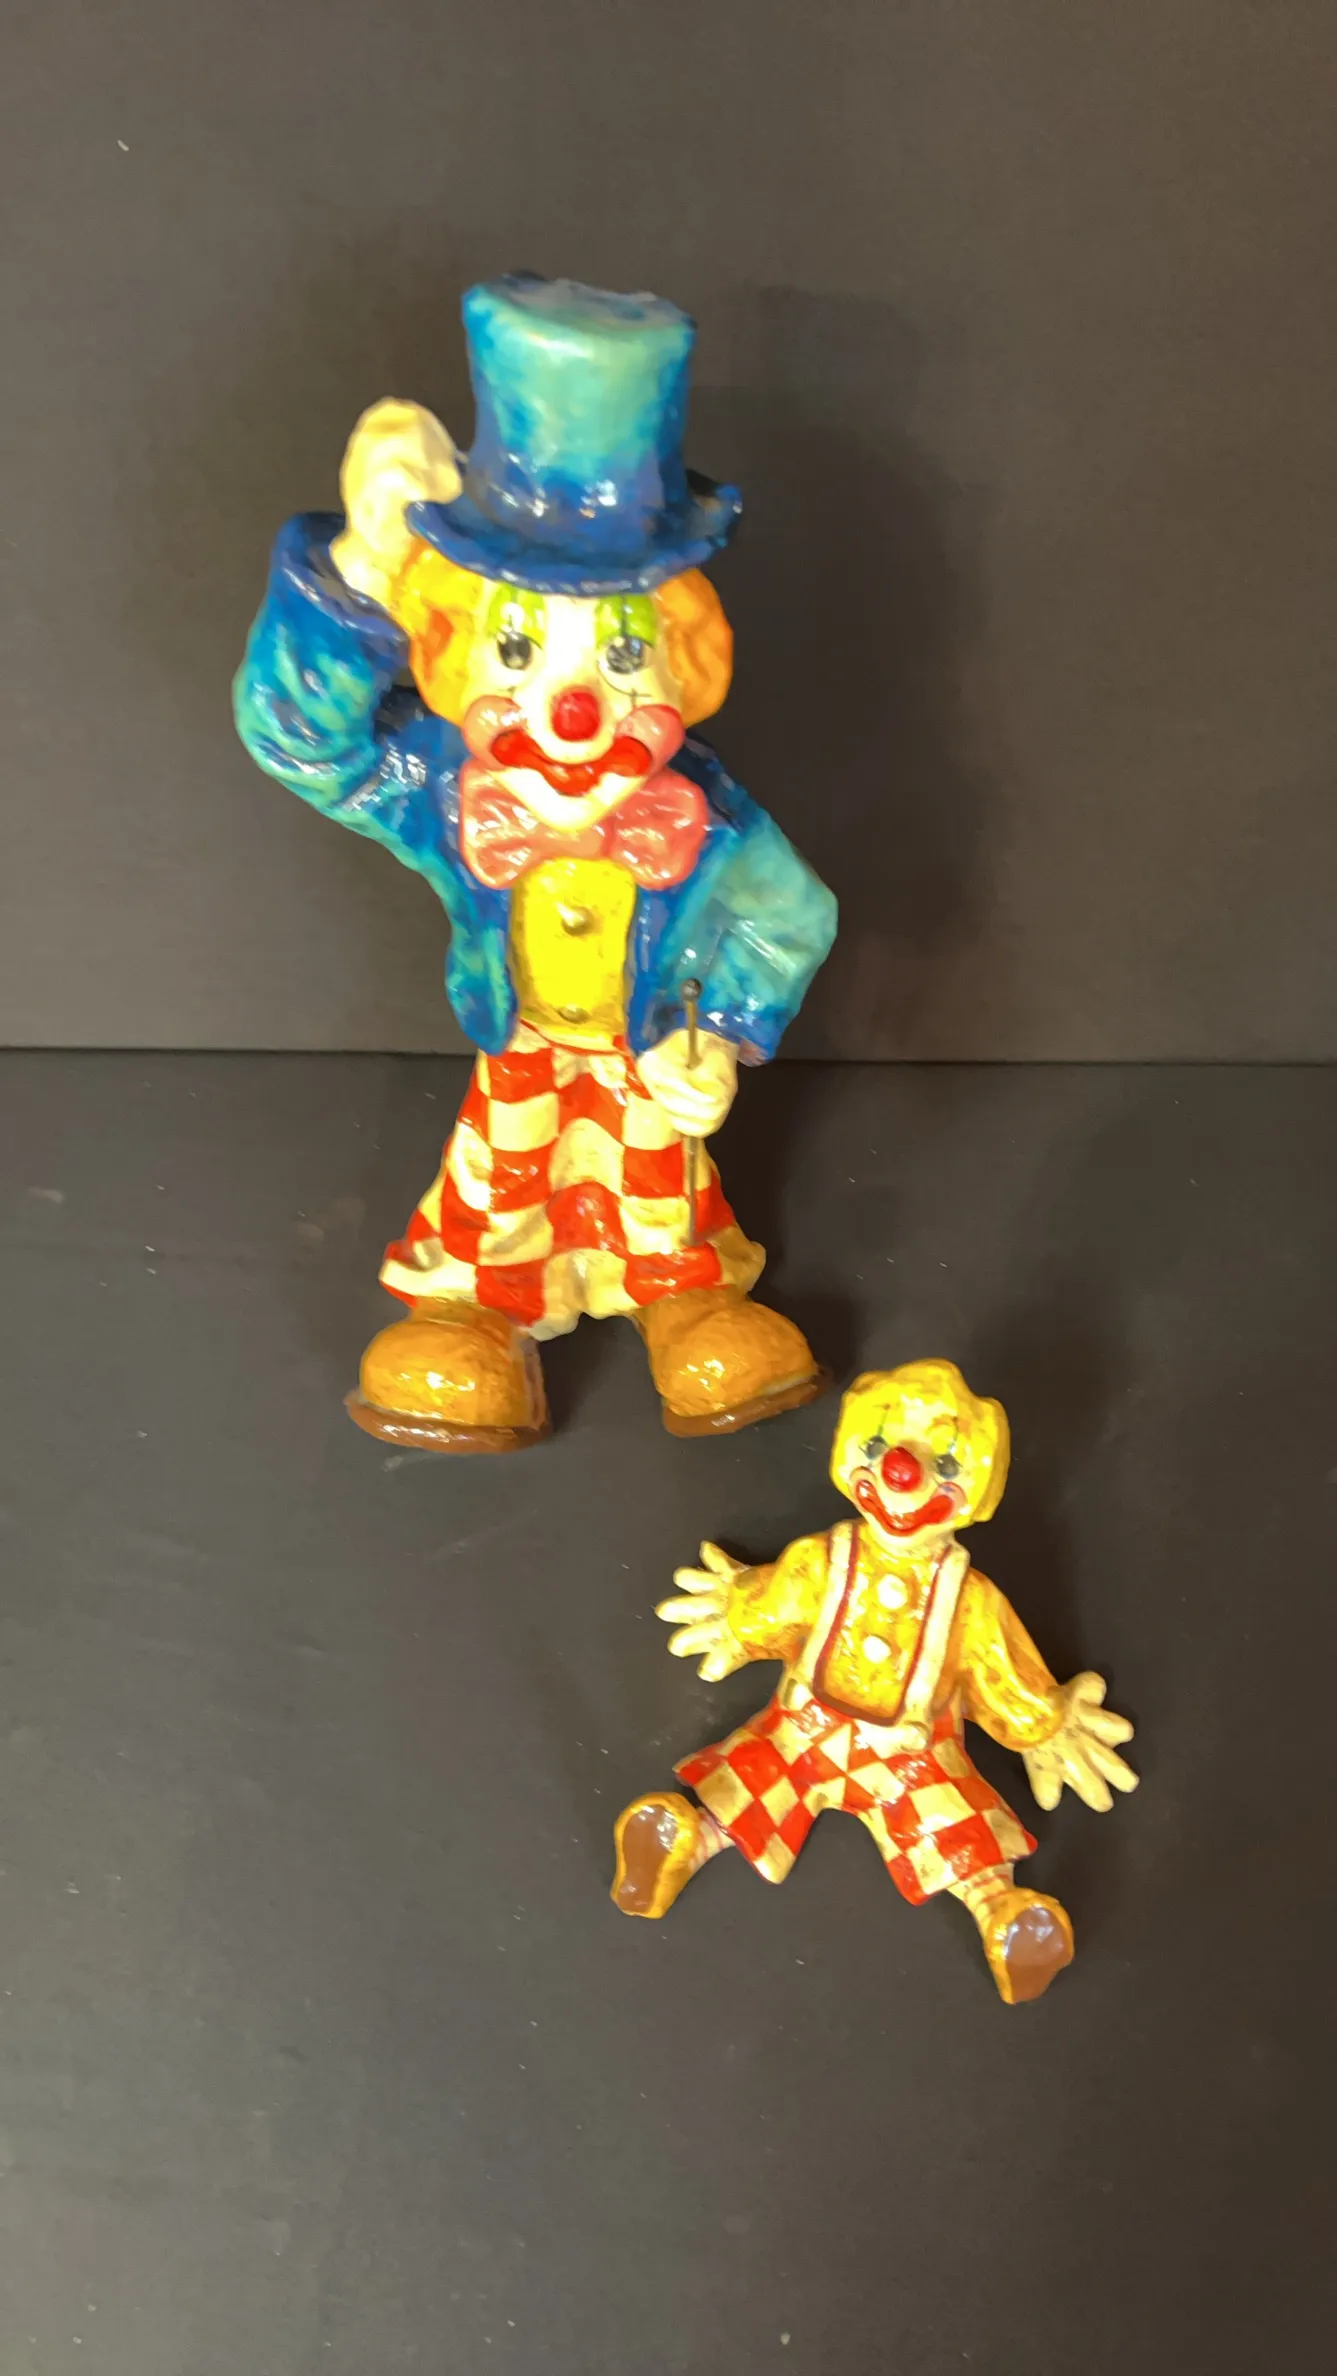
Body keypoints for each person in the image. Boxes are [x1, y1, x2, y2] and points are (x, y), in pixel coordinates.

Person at [235, 276, 838, 1450]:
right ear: (450, 653)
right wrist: (359, 568)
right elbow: (300, 742)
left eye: (620, 652)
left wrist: (722, 1031)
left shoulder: (706, 826)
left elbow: (789, 916)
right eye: (518, 649)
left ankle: (684, 1300)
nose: (574, 709)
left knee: (657, 1184)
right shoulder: (448, 795)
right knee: (499, 1185)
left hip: (644, 1053)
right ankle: (476, 1313)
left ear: (683, 661)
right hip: (519, 1050)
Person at [612, 1359, 1138, 2004]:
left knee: (954, 1827)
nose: (901, 1470)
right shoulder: (819, 1561)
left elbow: (1001, 1672)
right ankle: (683, 1842)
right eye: (878, 1445)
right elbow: (774, 1606)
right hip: (804, 1730)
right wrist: (735, 1614)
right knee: (752, 1782)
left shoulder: (970, 1601)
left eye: (944, 1462)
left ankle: (1003, 1913)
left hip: (914, 1757)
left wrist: (1044, 1725)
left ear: (979, 1490)